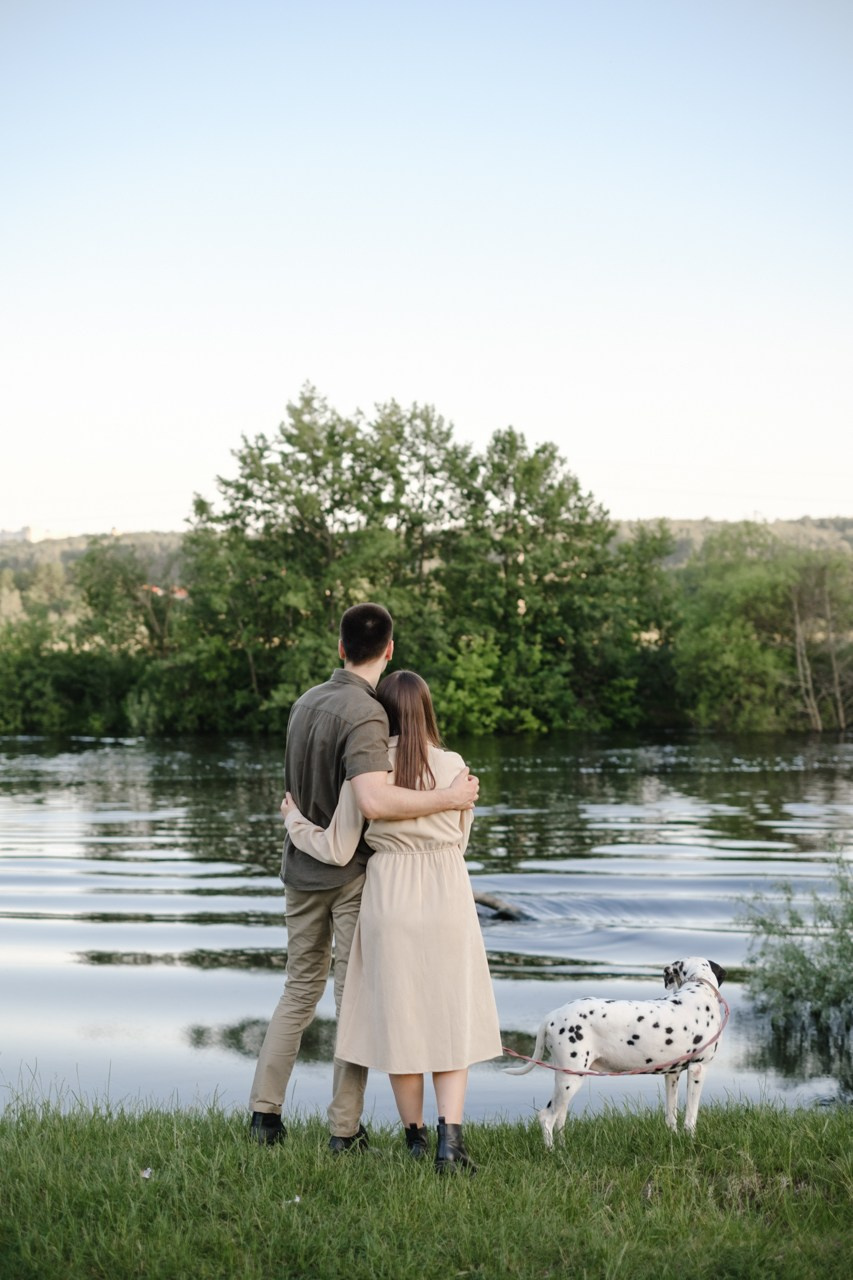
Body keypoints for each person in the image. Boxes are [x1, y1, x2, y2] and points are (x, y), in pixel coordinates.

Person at [249, 604, 479, 1152]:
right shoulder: (368, 714)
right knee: (352, 1003)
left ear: (340, 647)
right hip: (350, 873)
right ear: (390, 649)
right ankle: (344, 1130)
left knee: (297, 991)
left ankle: (264, 1115)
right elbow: (372, 801)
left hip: (300, 870)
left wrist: (293, 822)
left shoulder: (305, 702)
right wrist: (449, 797)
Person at [282, 669, 502, 1173]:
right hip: (447, 892)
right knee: (450, 1019)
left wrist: (294, 819)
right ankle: (451, 1143)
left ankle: (415, 1138)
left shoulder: (369, 770)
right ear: (427, 710)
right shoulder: (454, 766)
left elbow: (337, 848)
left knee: (402, 1021)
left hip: (390, 896)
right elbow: (461, 838)